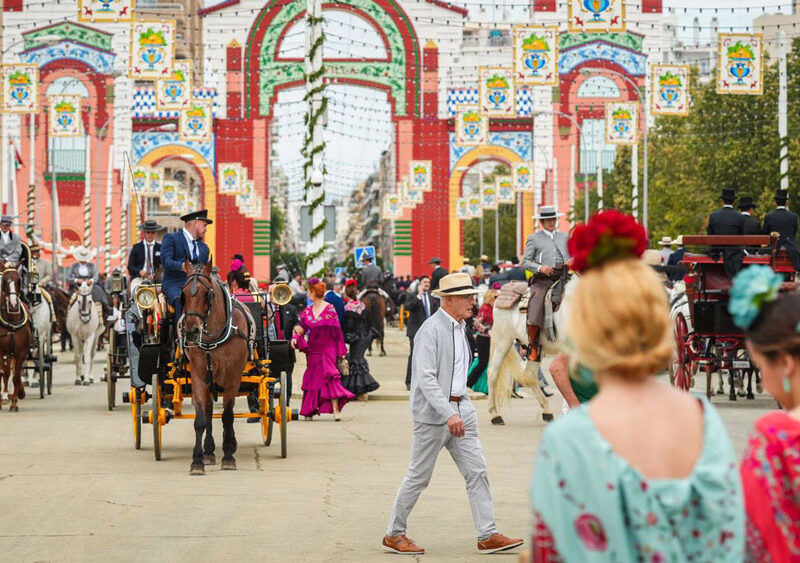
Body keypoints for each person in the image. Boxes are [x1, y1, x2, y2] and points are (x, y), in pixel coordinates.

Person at [530, 210, 744, 561]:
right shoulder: (700, 418)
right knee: (537, 297)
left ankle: (535, 341)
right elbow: (727, 537)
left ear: (585, 330)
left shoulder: (566, 438)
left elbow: (551, 549)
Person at [383, 272, 523, 556]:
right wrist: (449, 413)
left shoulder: (461, 326)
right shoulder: (430, 331)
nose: (473, 301)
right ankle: (394, 534)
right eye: (466, 297)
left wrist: (462, 408)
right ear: (447, 300)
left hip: (462, 409)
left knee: (477, 471)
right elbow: (425, 379)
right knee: (419, 476)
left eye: (472, 295)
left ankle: (487, 534)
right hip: (435, 416)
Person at [291, 280, 355, 420]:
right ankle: (309, 410)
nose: (307, 294)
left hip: (328, 348)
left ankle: (335, 410)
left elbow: (337, 331)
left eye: (309, 291)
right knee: (311, 378)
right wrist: (295, 337)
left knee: (330, 376)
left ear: (315, 292)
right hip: (313, 349)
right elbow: (302, 328)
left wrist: (340, 350)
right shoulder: (307, 311)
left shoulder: (330, 309)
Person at [522, 205, 571, 362]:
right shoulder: (534, 238)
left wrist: (572, 260)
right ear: (542, 222)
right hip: (544, 279)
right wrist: (541, 268)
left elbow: (572, 254)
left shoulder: (564, 237)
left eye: (553, 219)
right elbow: (526, 262)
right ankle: (534, 344)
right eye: (548, 220)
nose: (551, 222)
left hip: (564, 275)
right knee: (538, 300)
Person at [160, 209, 212, 321]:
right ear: (195, 223)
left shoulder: (204, 247)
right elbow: (165, 261)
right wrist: (183, 266)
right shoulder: (172, 238)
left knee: (212, 298)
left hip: (198, 285)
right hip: (176, 284)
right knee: (181, 299)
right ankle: (182, 334)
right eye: (204, 225)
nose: (206, 230)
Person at [341, 283, 380, 400]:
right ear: (357, 292)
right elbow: (369, 322)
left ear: (347, 293)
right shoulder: (362, 305)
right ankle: (359, 391)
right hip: (365, 336)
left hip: (355, 338)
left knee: (355, 360)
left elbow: (348, 326)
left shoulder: (347, 307)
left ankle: (361, 391)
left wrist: (345, 335)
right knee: (357, 360)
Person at [404, 275, 437, 391]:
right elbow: (408, 307)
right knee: (414, 355)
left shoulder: (432, 297)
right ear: (419, 285)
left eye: (428, 282)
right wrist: (419, 296)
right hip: (415, 331)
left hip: (429, 331)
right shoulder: (413, 296)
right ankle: (409, 381)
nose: (427, 284)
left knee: (429, 356)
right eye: (424, 282)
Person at [707, 187, 745, 278]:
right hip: (734, 252)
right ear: (733, 202)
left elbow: (710, 234)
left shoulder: (713, 216)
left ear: (722, 201)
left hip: (717, 250)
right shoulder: (739, 217)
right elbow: (741, 235)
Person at [467, 288, 496, 394]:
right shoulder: (485, 308)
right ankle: (468, 384)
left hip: (491, 338)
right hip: (483, 338)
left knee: (489, 363)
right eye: (495, 297)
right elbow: (477, 323)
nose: (496, 300)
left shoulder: (494, 309)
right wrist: (487, 330)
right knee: (482, 363)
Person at [763, 188, 800, 271]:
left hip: (774, 249)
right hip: (791, 248)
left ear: (775, 203)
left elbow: (765, 233)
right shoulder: (793, 217)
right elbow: (794, 233)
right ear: (786, 203)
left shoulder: (769, 216)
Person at [127, 220, 162, 293]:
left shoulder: (161, 248)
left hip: (156, 281)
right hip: (139, 279)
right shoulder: (136, 247)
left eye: (152, 232)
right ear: (144, 233)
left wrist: (155, 274)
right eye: (148, 232)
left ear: (155, 233)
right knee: (135, 292)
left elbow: (164, 265)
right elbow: (130, 266)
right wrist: (139, 272)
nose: (150, 235)